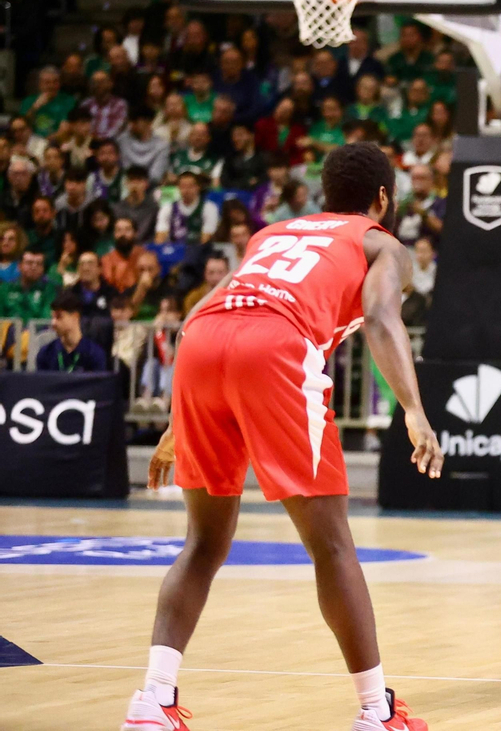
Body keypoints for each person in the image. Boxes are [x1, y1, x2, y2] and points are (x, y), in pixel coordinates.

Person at [129, 144, 442, 731]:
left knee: (203, 543)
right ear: (382, 199)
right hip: (276, 345)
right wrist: (413, 410)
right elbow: (380, 318)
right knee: (331, 545)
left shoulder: (271, 233)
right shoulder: (381, 242)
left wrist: (179, 421)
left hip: (200, 338)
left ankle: (153, 699)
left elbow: (235, 318)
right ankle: (377, 711)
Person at [37, 292, 109, 371]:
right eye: (52, 317)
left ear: (75, 316)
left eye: (59, 317)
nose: (53, 323)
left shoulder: (94, 354)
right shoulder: (46, 353)